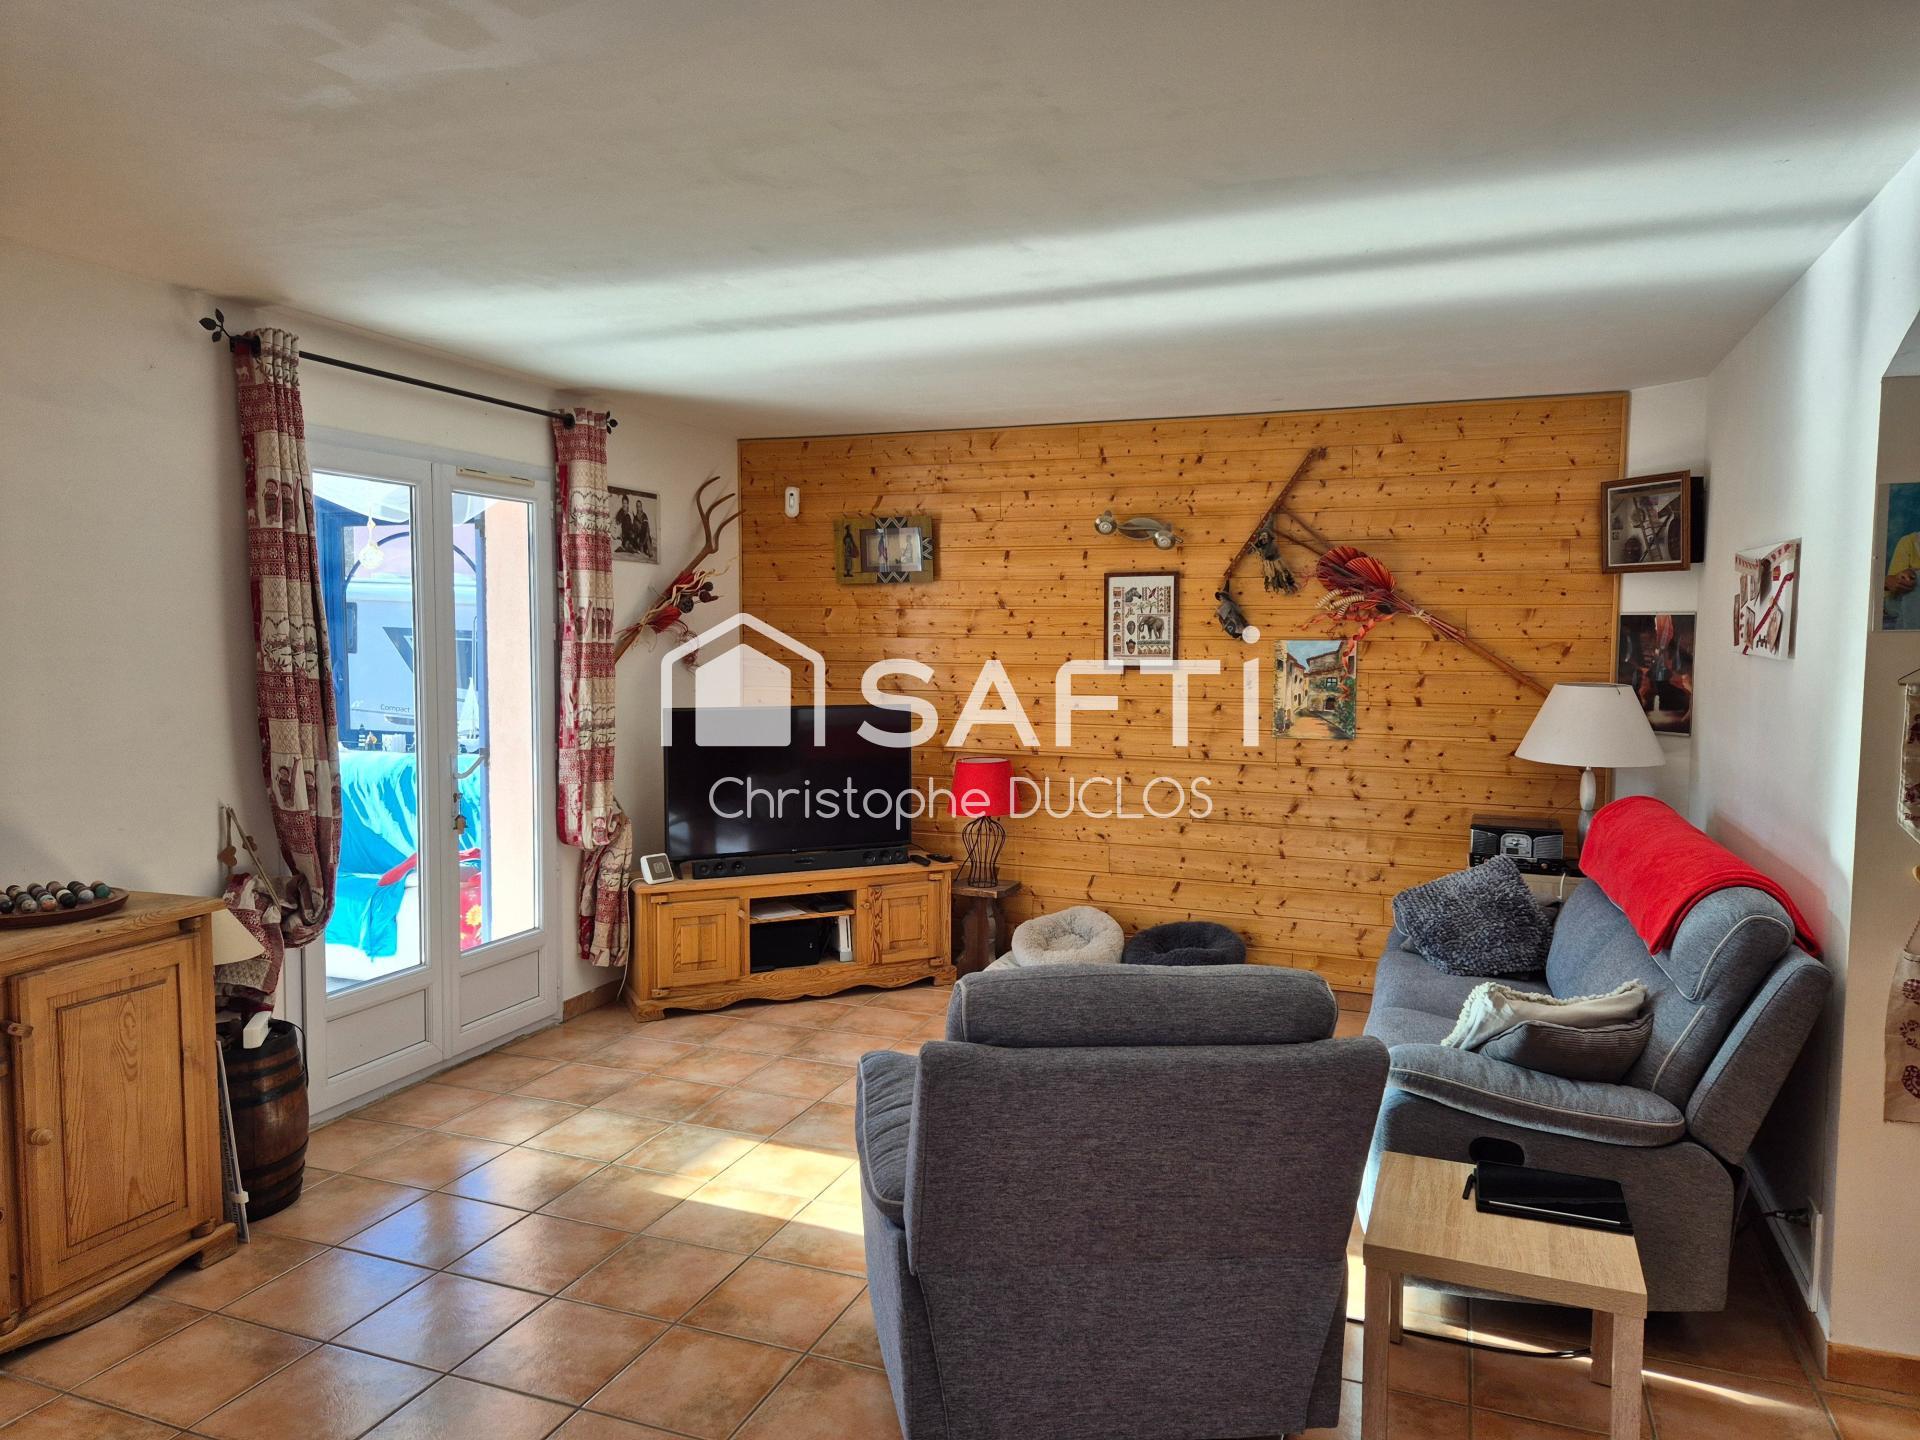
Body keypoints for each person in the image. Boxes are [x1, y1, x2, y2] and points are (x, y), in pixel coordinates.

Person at [1886, 529, 1920, 628]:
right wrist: (1902, 578)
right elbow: (1892, 583)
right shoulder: (1909, 542)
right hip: (1900, 599)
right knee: (1915, 580)